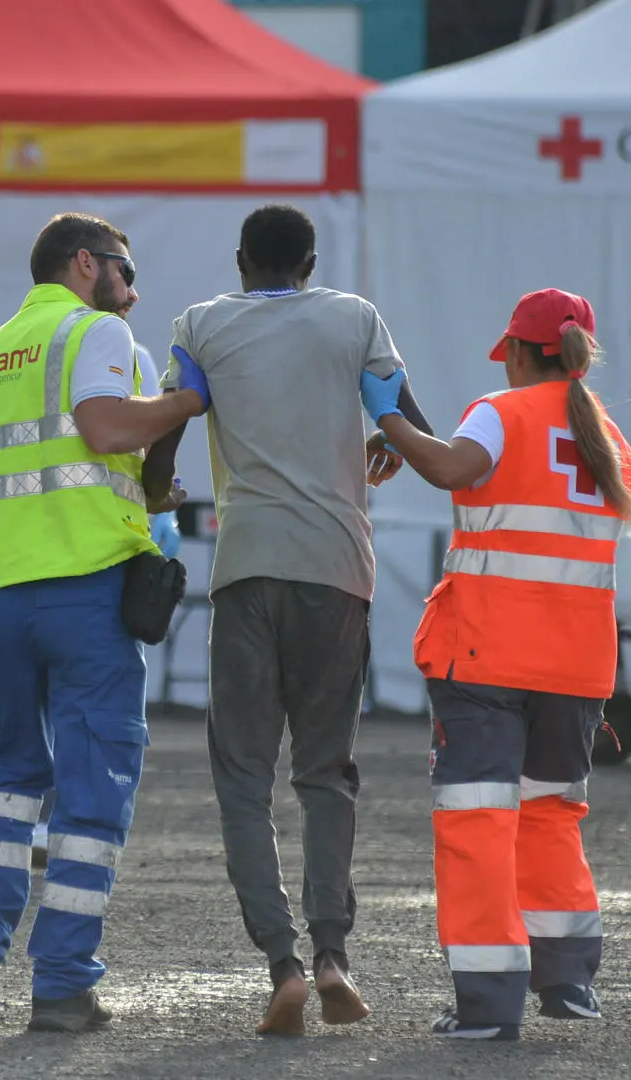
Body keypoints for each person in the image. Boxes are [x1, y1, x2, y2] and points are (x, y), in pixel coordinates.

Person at [142, 203, 429, 1036]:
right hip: (339, 571)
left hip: (245, 569)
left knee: (242, 776)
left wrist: (158, 489)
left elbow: (173, 421)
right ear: (309, 262)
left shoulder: (199, 325)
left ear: (240, 261)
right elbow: (404, 416)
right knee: (326, 771)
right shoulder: (354, 319)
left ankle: (282, 965)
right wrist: (391, 446)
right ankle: (336, 952)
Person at [364, 288, 631, 1041]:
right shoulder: (610, 445)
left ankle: (488, 1005)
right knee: (550, 816)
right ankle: (568, 980)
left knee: (477, 824)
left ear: (519, 352)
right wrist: (412, 436)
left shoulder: (499, 409)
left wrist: (387, 416)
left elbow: (457, 470)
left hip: (486, 657)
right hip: (577, 666)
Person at [0, 212, 199, 1034]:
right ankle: (60, 983)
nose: (133, 286)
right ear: (86, 263)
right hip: (84, 593)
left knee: (6, 778)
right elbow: (103, 427)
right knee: (92, 792)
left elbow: (55, 465)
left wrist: (146, 485)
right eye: (125, 268)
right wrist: (186, 399)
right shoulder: (96, 332)